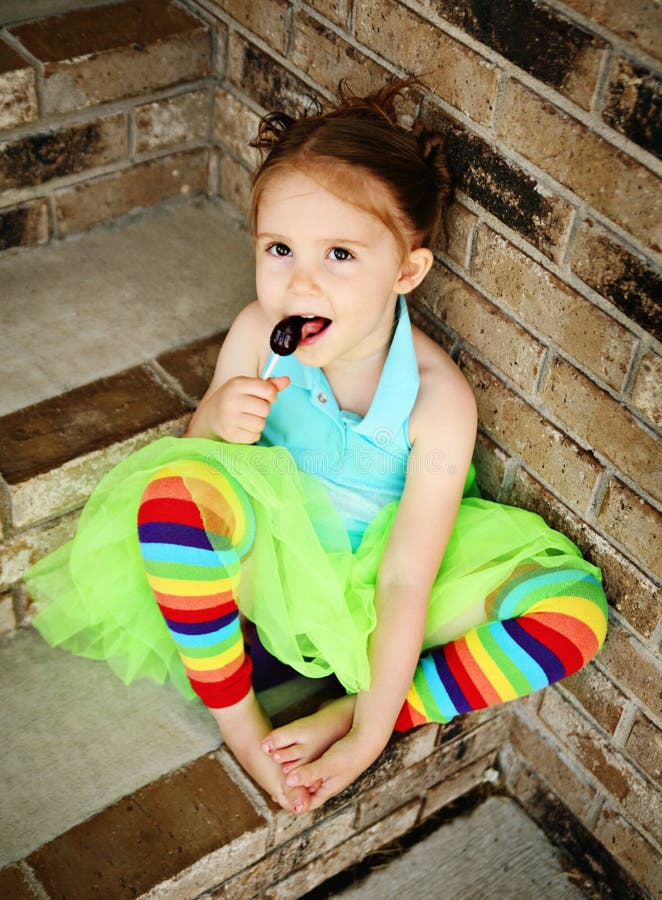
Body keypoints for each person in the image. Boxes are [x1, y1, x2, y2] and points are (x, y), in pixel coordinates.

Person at [26, 79, 608, 817]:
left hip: (382, 590)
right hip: (272, 573)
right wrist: (210, 422)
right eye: (279, 248)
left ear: (406, 271)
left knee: (571, 613)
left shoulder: (437, 400)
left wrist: (366, 737)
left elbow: (405, 578)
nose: (299, 281)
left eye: (338, 254)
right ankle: (243, 726)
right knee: (170, 500)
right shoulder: (256, 340)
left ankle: (370, 707)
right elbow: (194, 464)